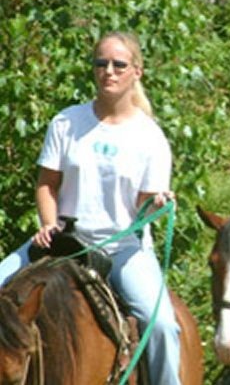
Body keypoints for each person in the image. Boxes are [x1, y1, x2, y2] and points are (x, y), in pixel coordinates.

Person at [0, 31, 181, 385]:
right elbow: (46, 183)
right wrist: (48, 223)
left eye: (118, 64)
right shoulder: (66, 122)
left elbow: (143, 206)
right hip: (62, 240)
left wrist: (156, 203)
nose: (109, 71)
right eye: (101, 63)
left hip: (123, 249)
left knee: (161, 325)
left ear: (137, 72)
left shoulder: (150, 137)